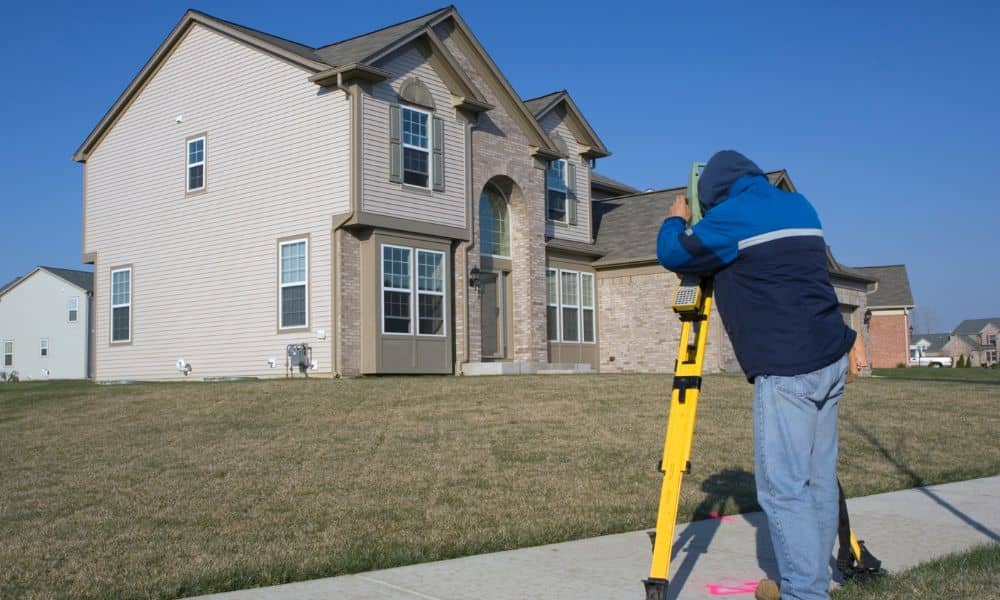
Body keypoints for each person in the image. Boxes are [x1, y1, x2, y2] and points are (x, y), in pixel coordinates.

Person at [656, 151, 861, 600]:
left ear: (712, 194)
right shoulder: (800, 205)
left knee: (783, 489)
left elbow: (673, 253)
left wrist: (676, 220)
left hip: (788, 370)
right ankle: (811, 581)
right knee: (818, 480)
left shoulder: (732, 218)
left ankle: (804, 593)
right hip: (829, 358)